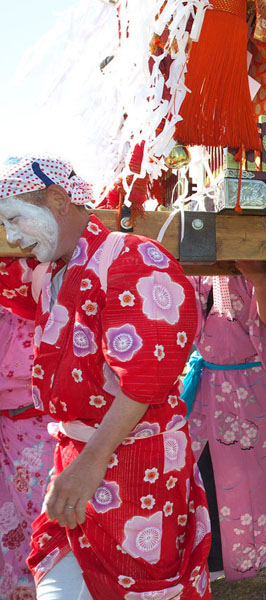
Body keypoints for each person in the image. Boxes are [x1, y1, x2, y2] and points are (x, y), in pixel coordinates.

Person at [0, 154, 211, 599]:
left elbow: (147, 377)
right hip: (79, 456)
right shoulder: (54, 271)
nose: (13, 237)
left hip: (135, 465)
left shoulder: (132, 257)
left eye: (16, 218)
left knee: (137, 589)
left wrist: (91, 463)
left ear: (58, 200)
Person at [183, 266, 266, 580]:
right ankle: (206, 555)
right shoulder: (202, 267)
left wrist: (259, 278)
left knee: (253, 475)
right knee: (201, 472)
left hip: (253, 389)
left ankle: (251, 551)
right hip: (206, 383)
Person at [1, 305, 56, 599]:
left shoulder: (50, 289)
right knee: (8, 520)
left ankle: (48, 586)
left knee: (42, 514)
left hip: (42, 426)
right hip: (10, 427)